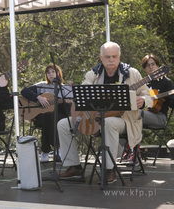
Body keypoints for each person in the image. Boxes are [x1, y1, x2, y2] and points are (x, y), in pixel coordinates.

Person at [57, 42, 152, 183]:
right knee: (63, 124)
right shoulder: (93, 74)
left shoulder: (132, 74)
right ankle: (74, 166)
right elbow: (81, 95)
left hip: (125, 120)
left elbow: (147, 95)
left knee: (108, 123)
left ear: (119, 56)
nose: (111, 60)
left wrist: (143, 101)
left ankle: (109, 169)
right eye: (107, 57)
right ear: (101, 58)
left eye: (114, 56)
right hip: (95, 118)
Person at [21, 64, 72, 162]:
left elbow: (67, 112)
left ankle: (45, 151)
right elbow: (24, 91)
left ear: (58, 73)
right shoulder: (41, 85)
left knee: (51, 116)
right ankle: (58, 149)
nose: (51, 74)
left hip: (59, 118)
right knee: (48, 116)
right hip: (40, 118)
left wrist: (68, 103)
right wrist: (38, 97)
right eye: (48, 72)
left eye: (53, 72)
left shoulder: (64, 89)